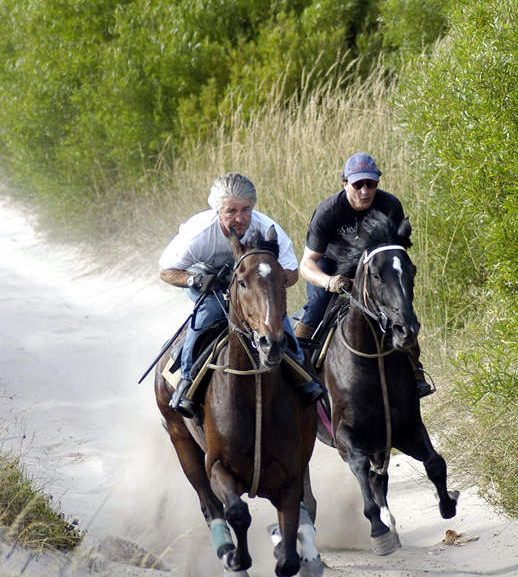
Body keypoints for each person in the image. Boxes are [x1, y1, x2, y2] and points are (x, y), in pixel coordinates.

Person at [159, 171, 326, 416]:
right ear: (218, 212)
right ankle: (187, 380)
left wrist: (270, 283)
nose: (239, 218)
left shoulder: (268, 229)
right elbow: (166, 271)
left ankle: (302, 374)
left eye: (245, 210)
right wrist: (196, 280)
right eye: (231, 211)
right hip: (209, 281)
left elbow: (292, 272)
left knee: (273, 316)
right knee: (210, 313)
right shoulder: (199, 233)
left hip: (254, 283)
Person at [296, 152, 434, 397]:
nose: (365, 191)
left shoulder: (390, 205)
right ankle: (299, 369)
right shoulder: (328, 211)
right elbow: (307, 264)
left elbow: (395, 250)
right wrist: (329, 281)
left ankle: (414, 367)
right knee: (317, 306)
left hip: (372, 270)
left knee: (399, 305)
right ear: (345, 183)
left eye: (371, 184)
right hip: (332, 271)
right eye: (358, 184)